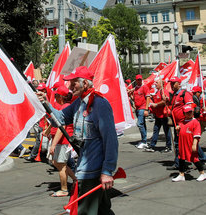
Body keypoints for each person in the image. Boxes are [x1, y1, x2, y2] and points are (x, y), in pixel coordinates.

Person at [38, 66, 118, 214]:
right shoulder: (78, 103)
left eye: (74, 82)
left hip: (94, 172)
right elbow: (59, 119)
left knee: (87, 211)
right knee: (102, 211)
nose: (69, 86)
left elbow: (111, 140)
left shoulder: (100, 104)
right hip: (84, 168)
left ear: (85, 84)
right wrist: (45, 104)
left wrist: (107, 171)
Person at [48, 86, 77, 197]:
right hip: (62, 141)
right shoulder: (64, 106)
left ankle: (64, 190)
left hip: (63, 141)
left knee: (61, 165)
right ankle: (75, 179)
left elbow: (62, 128)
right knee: (57, 163)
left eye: (56, 95)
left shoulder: (65, 107)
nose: (54, 97)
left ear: (60, 97)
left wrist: (53, 145)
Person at [172, 105, 206, 182]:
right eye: (187, 112)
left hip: (190, 143)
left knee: (194, 158)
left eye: (190, 112)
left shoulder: (195, 122)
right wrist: (177, 129)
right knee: (181, 158)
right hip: (182, 143)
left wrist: (194, 144)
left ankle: (202, 173)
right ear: (184, 113)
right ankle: (181, 174)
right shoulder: (182, 122)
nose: (189, 114)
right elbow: (179, 132)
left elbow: (197, 135)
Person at [167, 77, 193, 170]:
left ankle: (202, 159)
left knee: (188, 143)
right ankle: (179, 163)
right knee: (178, 143)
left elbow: (190, 109)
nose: (172, 85)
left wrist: (184, 123)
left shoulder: (184, 94)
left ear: (179, 83)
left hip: (183, 124)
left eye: (173, 83)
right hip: (177, 123)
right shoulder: (174, 95)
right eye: (171, 83)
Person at [145, 78, 172, 153]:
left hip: (164, 115)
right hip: (158, 115)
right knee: (156, 130)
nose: (155, 84)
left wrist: (156, 105)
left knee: (167, 131)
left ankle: (168, 146)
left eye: (157, 83)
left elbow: (164, 101)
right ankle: (152, 145)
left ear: (161, 84)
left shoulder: (164, 92)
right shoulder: (158, 92)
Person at [131, 74, 151, 149]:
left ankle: (144, 141)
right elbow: (134, 98)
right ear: (136, 80)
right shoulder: (136, 88)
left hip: (142, 108)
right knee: (142, 124)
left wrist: (146, 109)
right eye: (138, 80)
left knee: (139, 124)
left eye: (140, 79)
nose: (139, 81)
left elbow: (148, 97)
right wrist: (130, 96)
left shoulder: (144, 87)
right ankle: (144, 139)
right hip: (138, 108)